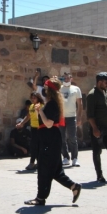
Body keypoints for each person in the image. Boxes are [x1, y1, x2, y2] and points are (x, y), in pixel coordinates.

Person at [25, 77, 81, 206]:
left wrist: (40, 112)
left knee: (44, 168)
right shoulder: (52, 104)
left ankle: (40, 198)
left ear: (49, 91)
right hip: (50, 139)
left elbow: (49, 123)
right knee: (55, 170)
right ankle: (74, 187)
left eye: (45, 89)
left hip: (49, 139)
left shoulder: (52, 105)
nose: (43, 91)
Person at [59, 73, 83, 167]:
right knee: (62, 138)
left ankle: (75, 158)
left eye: (67, 78)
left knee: (72, 138)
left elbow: (80, 104)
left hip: (72, 117)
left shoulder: (76, 89)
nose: (66, 79)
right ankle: (65, 157)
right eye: (64, 78)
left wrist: (79, 117)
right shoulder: (59, 88)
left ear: (71, 79)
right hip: (61, 117)